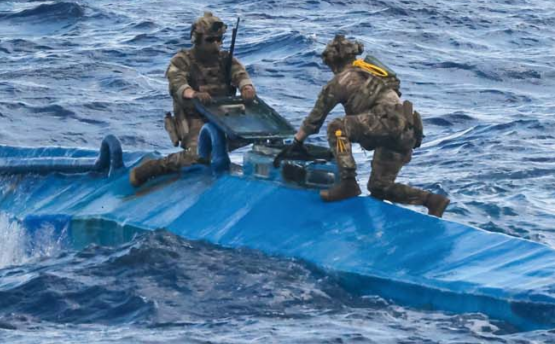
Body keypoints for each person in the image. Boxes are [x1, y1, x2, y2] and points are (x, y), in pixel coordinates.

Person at [283, 34, 449, 217]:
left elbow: (314, 120)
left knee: (337, 127)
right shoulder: (374, 72)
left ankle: (348, 183)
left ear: (333, 63)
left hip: (386, 125)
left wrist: (297, 142)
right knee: (379, 187)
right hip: (406, 131)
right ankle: (432, 201)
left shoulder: (340, 80)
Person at [130, 12, 257, 187]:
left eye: (219, 40)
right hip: (194, 118)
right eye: (210, 40)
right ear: (197, 39)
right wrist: (194, 94)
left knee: (262, 136)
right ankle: (152, 168)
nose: (216, 45)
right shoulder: (182, 61)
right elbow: (178, 84)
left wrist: (246, 87)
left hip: (224, 116)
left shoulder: (225, 59)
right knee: (197, 155)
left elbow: (239, 74)